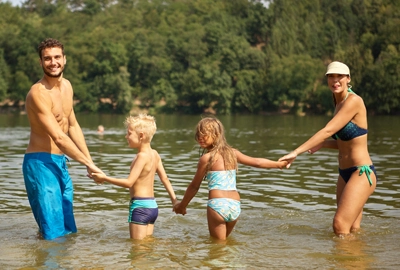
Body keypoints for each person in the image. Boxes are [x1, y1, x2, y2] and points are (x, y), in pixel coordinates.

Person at [278, 61, 377, 238]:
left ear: (348, 79)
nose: (335, 80)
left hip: (361, 173)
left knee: (339, 225)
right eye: (331, 76)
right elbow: (345, 143)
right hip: (344, 173)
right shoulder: (338, 104)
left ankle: (343, 262)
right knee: (352, 229)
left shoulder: (354, 101)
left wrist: (295, 152)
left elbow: (328, 131)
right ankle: (355, 263)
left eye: (339, 76)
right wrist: (323, 144)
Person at [23, 38, 103, 240]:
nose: (53, 62)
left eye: (57, 57)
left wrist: (90, 161)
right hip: (41, 164)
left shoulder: (67, 86)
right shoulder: (38, 93)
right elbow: (59, 137)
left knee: (68, 231)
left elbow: (73, 125)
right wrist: (88, 164)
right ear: (41, 62)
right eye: (47, 58)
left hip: (61, 163)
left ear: (64, 59)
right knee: (53, 233)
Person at [173, 117, 288, 240]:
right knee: (224, 246)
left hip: (218, 205)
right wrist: (279, 164)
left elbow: (194, 186)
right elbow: (257, 162)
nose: (200, 138)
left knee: (217, 248)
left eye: (204, 135)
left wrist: (182, 205)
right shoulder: (233, 153)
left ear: (216, 135)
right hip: (235, 206)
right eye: (198, 135)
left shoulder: (206, 158)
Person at [91, 114, 179, 240]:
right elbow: (165, 179)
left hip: (140, 207)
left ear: (141, 136)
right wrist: (174, 200)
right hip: (152, 207)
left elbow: (129, 183)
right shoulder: (155, 154)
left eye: (129, 133)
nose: (126, 136)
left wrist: (105, 178)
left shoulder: (141, 157)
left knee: (137, 252)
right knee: (146, 247)